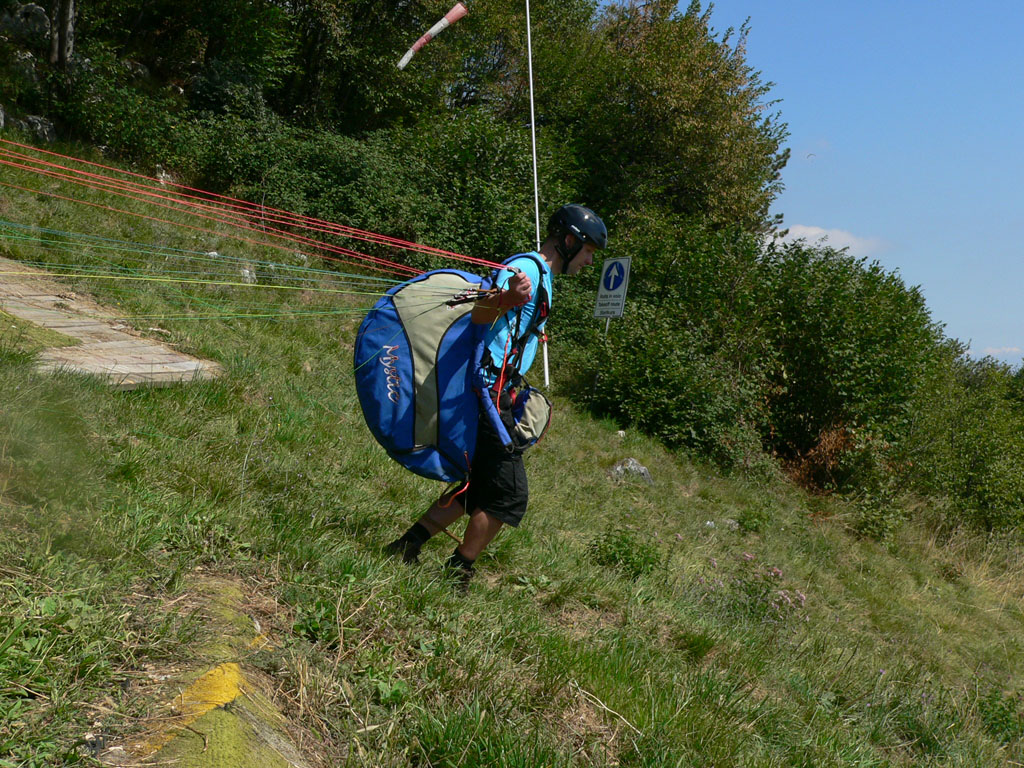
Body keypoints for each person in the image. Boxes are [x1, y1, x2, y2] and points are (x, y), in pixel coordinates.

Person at [384, 204, 608, 587]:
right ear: (570, 241)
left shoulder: (542, 277)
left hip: (497, 389)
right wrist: (507, 299)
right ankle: (458, 570)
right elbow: (480, 312)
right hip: (486, 391)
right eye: (588, 251)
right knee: (508, 494)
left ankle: (407, 545)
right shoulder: (525, 271)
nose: (590, 261)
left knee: (481, 483)